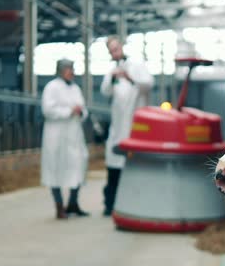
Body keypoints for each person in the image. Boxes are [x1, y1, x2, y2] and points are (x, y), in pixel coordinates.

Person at [101, 36, 153, 216]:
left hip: (134, 125)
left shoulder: (136, 65)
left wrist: (129, 77)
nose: (114, 52)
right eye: (111, 50)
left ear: (122, 47)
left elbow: (148, 84)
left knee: (134, 167)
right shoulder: (112, 70)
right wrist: (113, 78)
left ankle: (136, 203)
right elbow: (105, 91)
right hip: (118, 126)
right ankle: (110, 205)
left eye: (116, 48)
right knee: (113, 167)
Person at [41, 59, 90, 219]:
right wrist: (69, 111)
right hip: (56, 135)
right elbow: (47, 109)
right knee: (55, 169)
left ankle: (73, 203)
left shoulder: (75, 88)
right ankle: (59, 206)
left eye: (72, 69)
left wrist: (80, 112)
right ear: (61, 70)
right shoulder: (51, 87)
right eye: (69, 69)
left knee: (78, 165)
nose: (72, 72)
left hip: (74, 134)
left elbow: (83, 108)